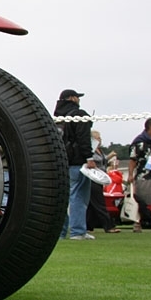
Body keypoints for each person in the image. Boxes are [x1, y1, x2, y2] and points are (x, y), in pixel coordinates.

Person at [53, 89, 95, 240]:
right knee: (78, 196)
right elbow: (83, 138)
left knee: (63, 197)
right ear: (72, 98)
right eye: (77, 96)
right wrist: (89, 157)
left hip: (60, 162)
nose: (78, 99)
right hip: (77, 161)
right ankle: (78, 231)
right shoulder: (79, 115)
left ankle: (61, 232)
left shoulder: (56, 117)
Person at [86, 130, 119, 233]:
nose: (100, 140)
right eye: (98, 138)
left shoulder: (100, 150)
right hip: (93, 178)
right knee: (99, 202)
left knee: (92, 204)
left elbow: (103, 161)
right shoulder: (90, 151)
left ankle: (88, 225)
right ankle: (108, 225)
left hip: (101, 178)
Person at [127, 117, 151, 233]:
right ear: (150, 128)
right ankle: (137, 222)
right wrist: (130, 174)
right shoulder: (139, 142)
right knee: (141, 200)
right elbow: (133, 160)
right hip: (143, 175)